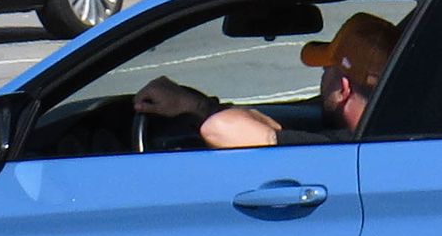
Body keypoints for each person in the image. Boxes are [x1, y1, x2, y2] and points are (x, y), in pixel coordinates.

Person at [131, 11, 401, 149]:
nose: (322, 80)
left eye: (326, 72)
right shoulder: (397, 131)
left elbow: (219, 128)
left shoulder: (344, 147)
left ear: (343, 89)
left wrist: (191, 104)